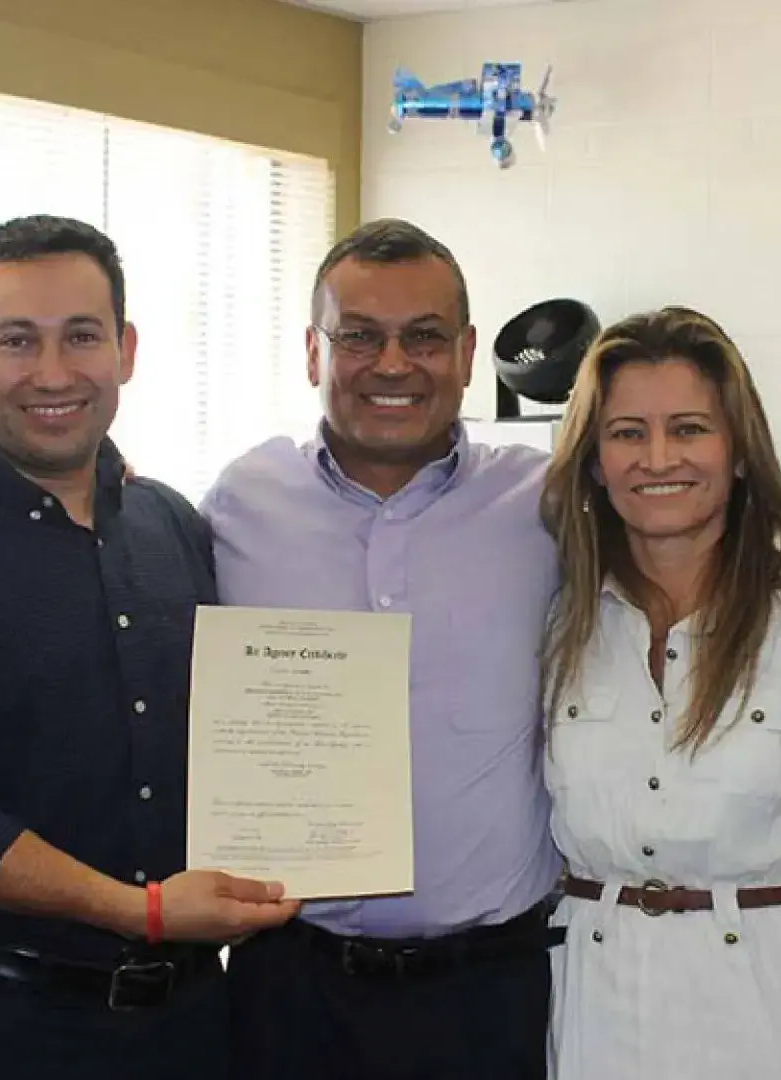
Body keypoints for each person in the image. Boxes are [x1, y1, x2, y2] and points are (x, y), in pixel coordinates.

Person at [0, 214, 299, 1080]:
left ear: (126, 349)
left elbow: (241, 741)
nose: (53, 373)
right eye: (16, 341)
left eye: (81, 336)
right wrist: (142, 911)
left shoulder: (173, 526)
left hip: (193, 1027)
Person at [199, 217, 562, 1079]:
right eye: (359, 336)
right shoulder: (239, 503)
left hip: (489, 993)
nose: (393, 365)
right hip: (290, 987)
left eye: (424, 338)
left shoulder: (547, 506)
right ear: (313, 352)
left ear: (469, 352)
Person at [534, 306, 781, 1079]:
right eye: (627, 433)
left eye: (689, 428)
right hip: (596, 1009)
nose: (659, 458)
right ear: (592, 461)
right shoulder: (559, 623)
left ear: (741, 452)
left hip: (765, 1008)